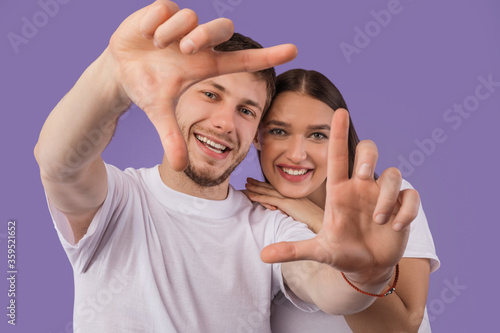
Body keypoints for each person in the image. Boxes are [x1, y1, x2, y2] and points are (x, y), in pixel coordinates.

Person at [35, 1, 422, 332]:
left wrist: (365, 274)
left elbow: (323, 286)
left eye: (246, 110)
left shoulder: (267, 224)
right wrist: (111, 77)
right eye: (210, 94)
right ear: (174, 99)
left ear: (256, 133)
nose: (224, 122)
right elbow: (58, 163)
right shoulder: (117, 199)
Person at [245, 69, 440, 332]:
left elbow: (403, 327)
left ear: (340, 141)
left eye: (317, 135)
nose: (296, 154)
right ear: (257, 136)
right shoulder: (254, 221)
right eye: (279, 131)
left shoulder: (387, 202)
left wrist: (315, 218)